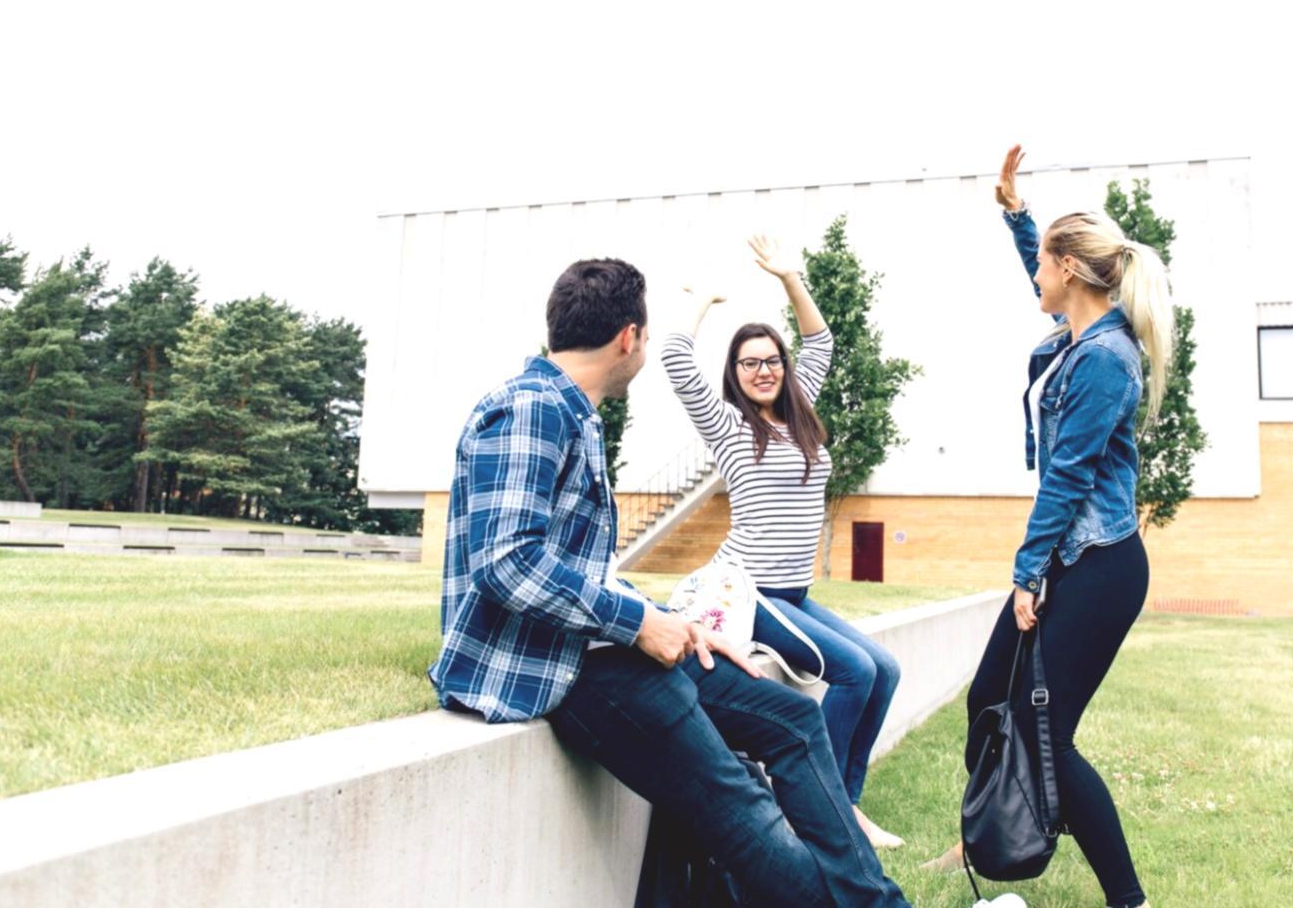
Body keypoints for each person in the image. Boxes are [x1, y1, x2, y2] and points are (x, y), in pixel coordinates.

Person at [428, 257, 908, 908]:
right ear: (628, 337)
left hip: (594, 645)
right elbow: (507, 563)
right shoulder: (531, 409)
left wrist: (673, 624)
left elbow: (579, 575)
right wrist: (638, 623)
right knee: (741, 805)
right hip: (554, 666)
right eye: (648, 335)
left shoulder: (571, 412)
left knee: (794, 719)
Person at [929, 145, 1171, 908]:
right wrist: (1017, 217)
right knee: (987, 703)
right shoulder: (1075, 334)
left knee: (1048, 736)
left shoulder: (1103, 359)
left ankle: (1127, 899)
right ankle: (995, 829)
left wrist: (1027, 573)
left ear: (1069, 269)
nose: (1035, 274)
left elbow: (1068, 478)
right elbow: (1042, 277)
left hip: (1097, 565)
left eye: (1042, 263)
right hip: (1071, 557)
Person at [661, 235, 906, 850]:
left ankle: (847, 804)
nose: (763, 370)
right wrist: (703, 300)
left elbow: (820, 342)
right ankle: (819, 808)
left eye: (771, 360)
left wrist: (790, 278)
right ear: (735, 373)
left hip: (794, 591)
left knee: (886, 670)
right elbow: (674, 358)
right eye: (749, 363)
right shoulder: (727, 425)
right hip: (752, 590)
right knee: (853, 672)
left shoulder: (800, 416)